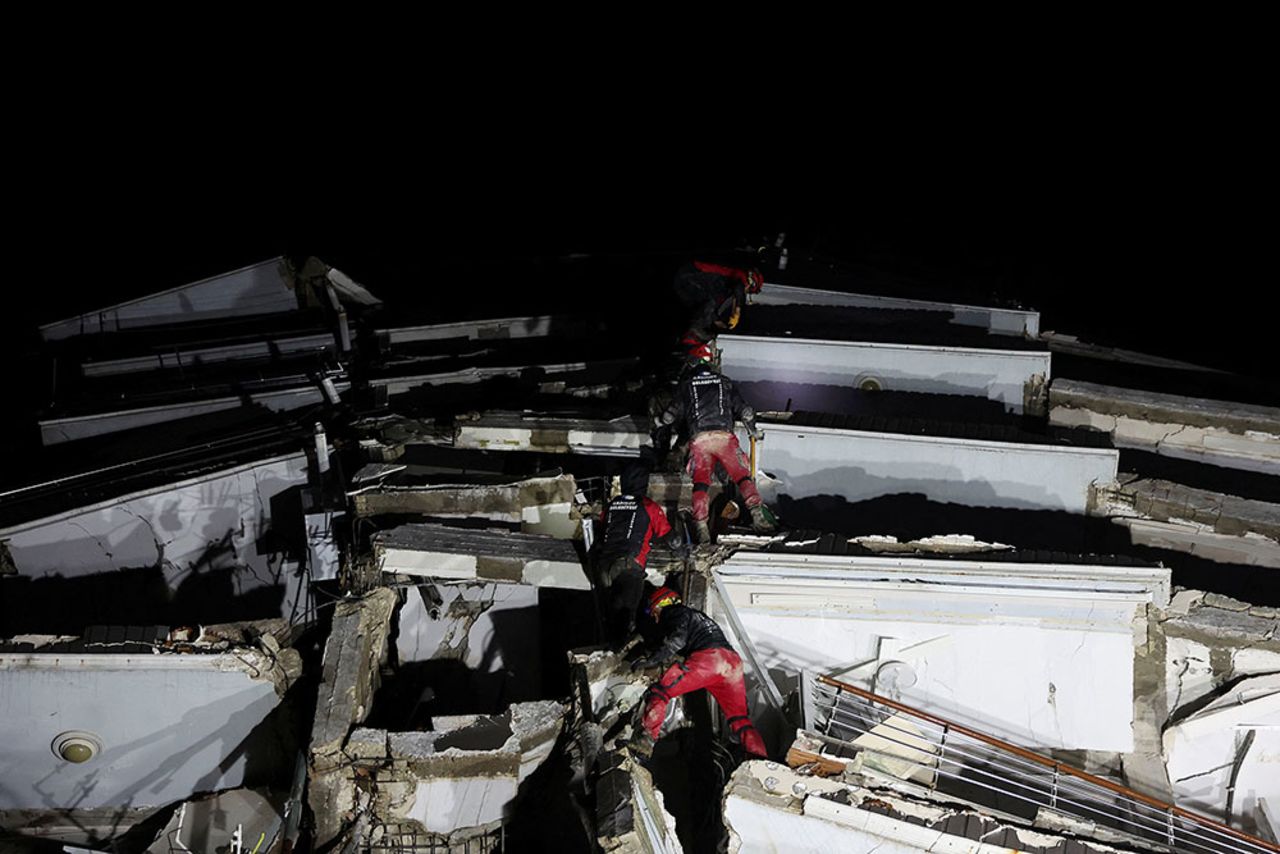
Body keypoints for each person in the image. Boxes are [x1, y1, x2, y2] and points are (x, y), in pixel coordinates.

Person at [630, 586, 767, 758]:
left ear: (659, 604)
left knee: (661, 691)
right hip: (732, 662)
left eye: (653, 611)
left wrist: (651, 661)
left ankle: (643, 744)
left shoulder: (674, 612)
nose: (655, 617)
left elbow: (676, 641)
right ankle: (759, 758)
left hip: (710, 660)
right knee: (739, 718)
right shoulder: (697, 617)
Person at [653, 358, 774, 543]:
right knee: (742, 477)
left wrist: (659, 422)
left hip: (700, 441)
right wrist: (754, 432)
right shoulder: (724, 382)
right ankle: (758, 515)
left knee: (701, 484)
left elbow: (670, 416)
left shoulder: (687, 385)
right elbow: (746, 411)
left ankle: (701, 527)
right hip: (724, 438)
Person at [595, 463, 678, 645]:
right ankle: (620, 653)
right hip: (628, 566)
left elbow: (603, 530)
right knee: (628, 616)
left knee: (609, 615)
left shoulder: (612, 505)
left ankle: (607, 644)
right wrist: (681, 548)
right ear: (643, 484)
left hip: (604, 567)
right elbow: (671, 540)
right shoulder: (648, 506)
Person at [671, 261, 764, 346]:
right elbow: (739, 288)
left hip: (688, 282)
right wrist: (737, 311)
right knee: (708, 302)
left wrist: (718, 322)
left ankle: (690, 340)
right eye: (748, 291)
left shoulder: (725, 290)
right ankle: (694, 332)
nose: (746, 291)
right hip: (691, 275)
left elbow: (712, 307)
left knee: (701, 307)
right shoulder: (740, 276)